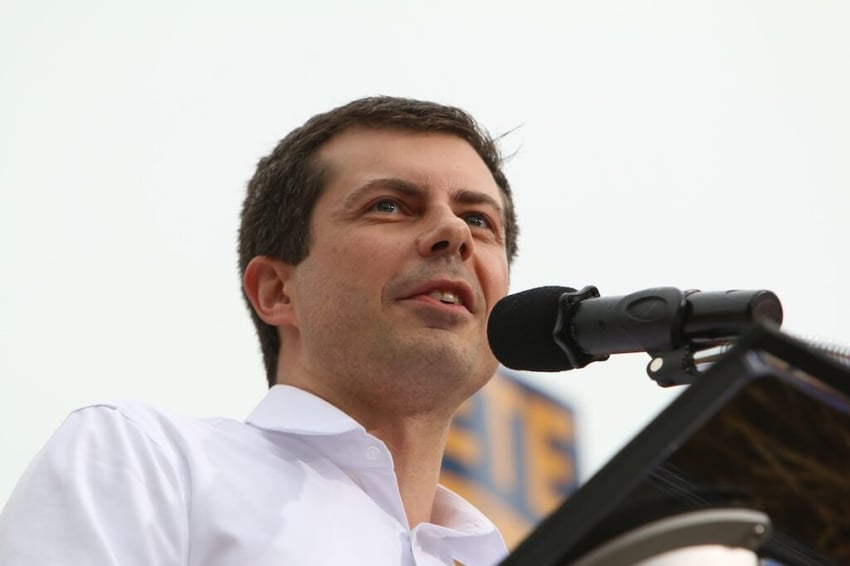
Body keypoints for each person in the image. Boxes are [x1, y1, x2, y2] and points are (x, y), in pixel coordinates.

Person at [0, 96, 519, 565]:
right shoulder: (149, 462)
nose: (453, 233)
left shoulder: (512, 551)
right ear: (276, 290)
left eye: (478, 220)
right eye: (389, 206)